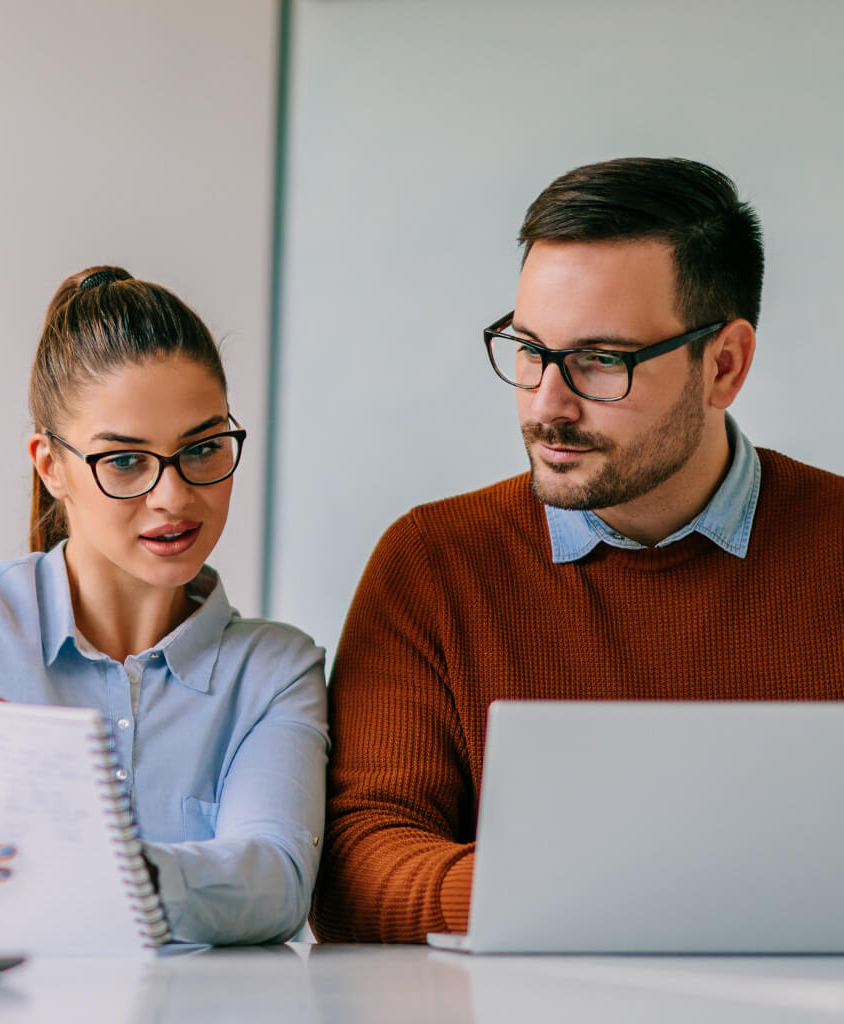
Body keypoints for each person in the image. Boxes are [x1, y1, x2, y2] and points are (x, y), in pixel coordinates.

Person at [310, 157, 844, 943]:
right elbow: (356, 867)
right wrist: (616, 892)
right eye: (529, 349)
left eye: (601, 361)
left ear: (723, 365)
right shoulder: (432, 564)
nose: (546, 406)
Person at [0, 266, 328, 951]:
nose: (173, 497)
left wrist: (72, 850)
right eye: (124, 461)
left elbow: (277, 883)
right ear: (50, 465)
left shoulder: (275, 669)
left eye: (203, 448)